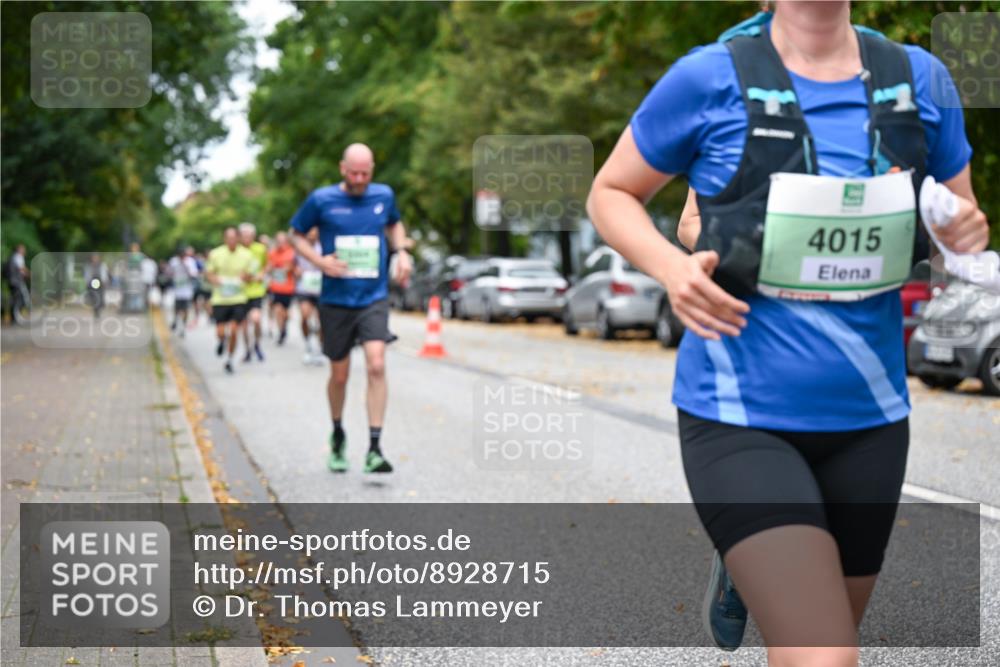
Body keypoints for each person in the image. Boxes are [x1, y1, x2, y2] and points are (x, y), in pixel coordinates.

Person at [586, 2, 988, 665]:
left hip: (871, 417)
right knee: (824, 654)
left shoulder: (920, 81)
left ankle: (747, 569)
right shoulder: (711, 79)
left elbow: (955, 225)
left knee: (819, 643)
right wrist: (674, 270)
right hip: (739, 415)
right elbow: (611, 192)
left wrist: (962, 236)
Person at [289, 143, 412, 474]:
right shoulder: (322, 199)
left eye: (365, 173)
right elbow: (296, 235)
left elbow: (395, 224)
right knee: (339, 375)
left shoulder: (384, 195)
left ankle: (374, 447)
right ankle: (338, 433)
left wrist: (400, 252)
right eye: (354, 172)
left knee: (376, 364)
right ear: (342, 168)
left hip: (373, 296)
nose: (359, 179)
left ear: (372, 169)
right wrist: (318, 261)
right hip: (335, 300)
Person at [205, 227, 255, 374]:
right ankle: (221, 341)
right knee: (221, 332)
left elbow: (252, 274)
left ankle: (229, 359)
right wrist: (218, 280)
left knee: (234, 330)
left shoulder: (247, 254)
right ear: (225, 239)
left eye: (234, 238)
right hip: (220, 299)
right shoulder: (215, 253)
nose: (232, 241)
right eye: (229, 238)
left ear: (238, 239)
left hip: (238, 298)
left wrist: (244, 278)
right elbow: (209, 274)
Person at [294, 227, 325, 365]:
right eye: (309, 233)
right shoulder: (300, 248)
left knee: (322, 321)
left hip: (320, 289)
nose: (312, 236)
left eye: (314, 233)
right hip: (304, 288)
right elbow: (292, 265)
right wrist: (296, 270)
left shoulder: (324, 246)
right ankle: (307, 343)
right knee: (305, 316)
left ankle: (320, 348)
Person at [239, 222, 268, 362]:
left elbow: (267, 264)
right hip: (240, 292)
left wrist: (262, 274)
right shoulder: (237, 250)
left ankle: (257, 344)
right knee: (244, 325)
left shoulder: (260, 249)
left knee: (256, 320)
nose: (247, 238)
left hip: (256, 290)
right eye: (244, 236)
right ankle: (247, 350)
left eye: (249, 236)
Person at [266, 231, 297, 345]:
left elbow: (291, 268)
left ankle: (285, 325)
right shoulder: (272, 253)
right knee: (278, 310)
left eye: (283, 240)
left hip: (289, 288)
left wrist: (283, 269)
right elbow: (269, 267)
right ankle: (281, 332)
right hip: (276, 287)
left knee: (286, 313)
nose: (280, 243)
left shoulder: (292, 252)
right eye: (278, 240)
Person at [169, 246, 200, 337]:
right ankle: (175, 320)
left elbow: (194, 274)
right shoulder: (174, 261)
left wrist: (186, 267)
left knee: (186, 309)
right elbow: (169, 273)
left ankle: (183, 325)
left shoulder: (190, 262)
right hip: (177, 290)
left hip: (187, 290)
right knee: (176, 308)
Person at [82, 253, 109, 319]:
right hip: (92, 282)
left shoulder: (102, 265)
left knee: (100, 296)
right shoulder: (88, 265)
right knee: (94, 297)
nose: (95, 259)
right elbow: (87, 275)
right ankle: (96, 311)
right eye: (94, 257)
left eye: (96, 257)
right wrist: (87, 282)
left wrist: (104, 281)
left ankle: (99, 308)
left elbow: (104, 273)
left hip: (100, 282)